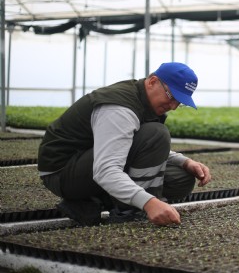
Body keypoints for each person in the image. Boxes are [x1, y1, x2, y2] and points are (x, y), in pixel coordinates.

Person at [38, 62, 212, 227]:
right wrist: (149, 203)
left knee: (181, 178)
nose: (173, 106)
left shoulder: (144, 101)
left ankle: (93, 201)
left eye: (179, 103)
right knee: (156, 134)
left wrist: (185, 162)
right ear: (152, 82)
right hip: (63, 172)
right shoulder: (120, 108)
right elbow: (106, 170)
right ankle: (129, 210)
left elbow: (130, 143)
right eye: (172, 96)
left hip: (89, 163)